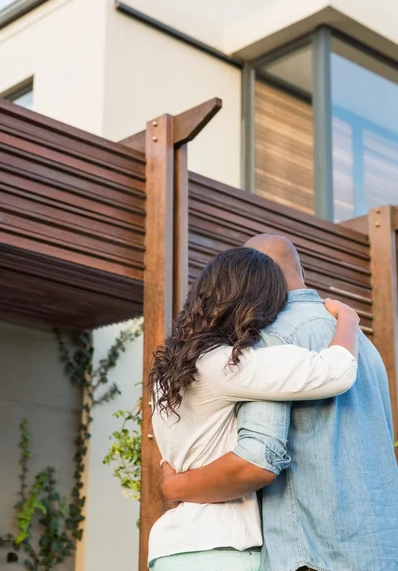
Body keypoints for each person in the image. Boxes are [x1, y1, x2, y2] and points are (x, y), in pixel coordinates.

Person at [160, 235, 398, 571]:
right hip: (382, 550)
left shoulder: (263, 340)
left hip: (313, 554)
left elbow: (257, 459)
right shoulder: (361, 345)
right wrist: (349, 318)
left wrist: (174, 485)